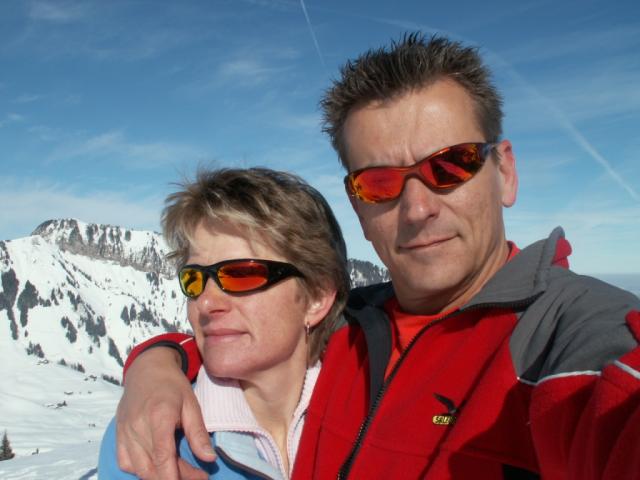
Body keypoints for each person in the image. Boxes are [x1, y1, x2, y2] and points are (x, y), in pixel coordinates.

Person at [113, 34, 640, 479]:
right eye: (380, 183)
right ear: (357, 208)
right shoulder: (348, 329)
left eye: (449, 166)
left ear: (504, 172)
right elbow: (244, 330)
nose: (418, 208)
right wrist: (158, 365)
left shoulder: (566, 343)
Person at [98, 168, 350, 479]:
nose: (205, 303)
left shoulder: (376, 416)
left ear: (317, 296)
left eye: (242, 274)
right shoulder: (150, 437)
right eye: (194, 279)